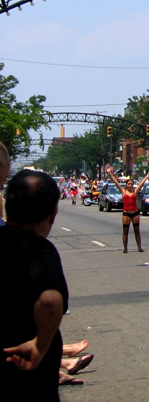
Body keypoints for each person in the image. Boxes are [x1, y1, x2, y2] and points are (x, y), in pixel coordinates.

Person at [0, 169, 69, 400]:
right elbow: (50, 300)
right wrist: (40, 344)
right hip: (24, 374)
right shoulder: (38, 250)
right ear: (53, 214)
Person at [105, 167, 149, 253]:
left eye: (131, 184)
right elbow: (116, 182)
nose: (130, 185)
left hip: (135, 212)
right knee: (125, 231)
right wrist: (110, 174)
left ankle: (139, 247)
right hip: (126, 213)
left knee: (137, 230)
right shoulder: (123, 191)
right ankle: (125, 248)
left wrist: (147, 176)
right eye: (128, 184)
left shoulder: (135, 192)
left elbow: (141, 184)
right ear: (126, 185)